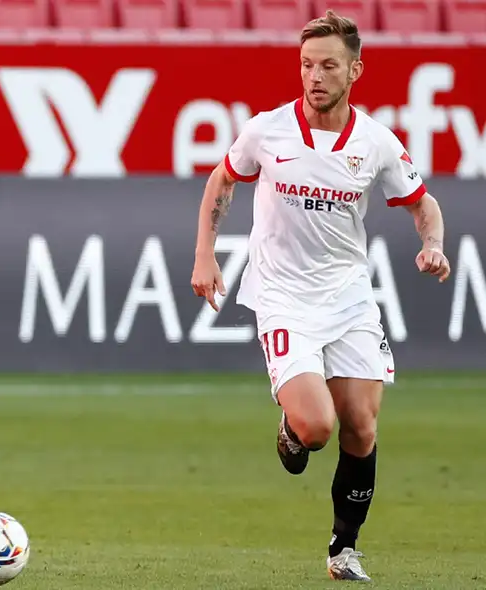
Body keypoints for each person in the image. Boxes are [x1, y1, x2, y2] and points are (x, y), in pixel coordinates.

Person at [190, 11, 450, 582]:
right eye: (307, 64)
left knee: (361, 426)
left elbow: (422, 203)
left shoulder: (376, 142)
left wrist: (432, 243)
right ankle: (290, 428)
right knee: (317, 428)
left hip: (349, 297)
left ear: (355, 69)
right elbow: (223, 179)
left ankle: (343, 548)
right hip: (283, 296)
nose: (314, 75)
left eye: (329, 65)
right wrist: (205, 253)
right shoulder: (268, 130)